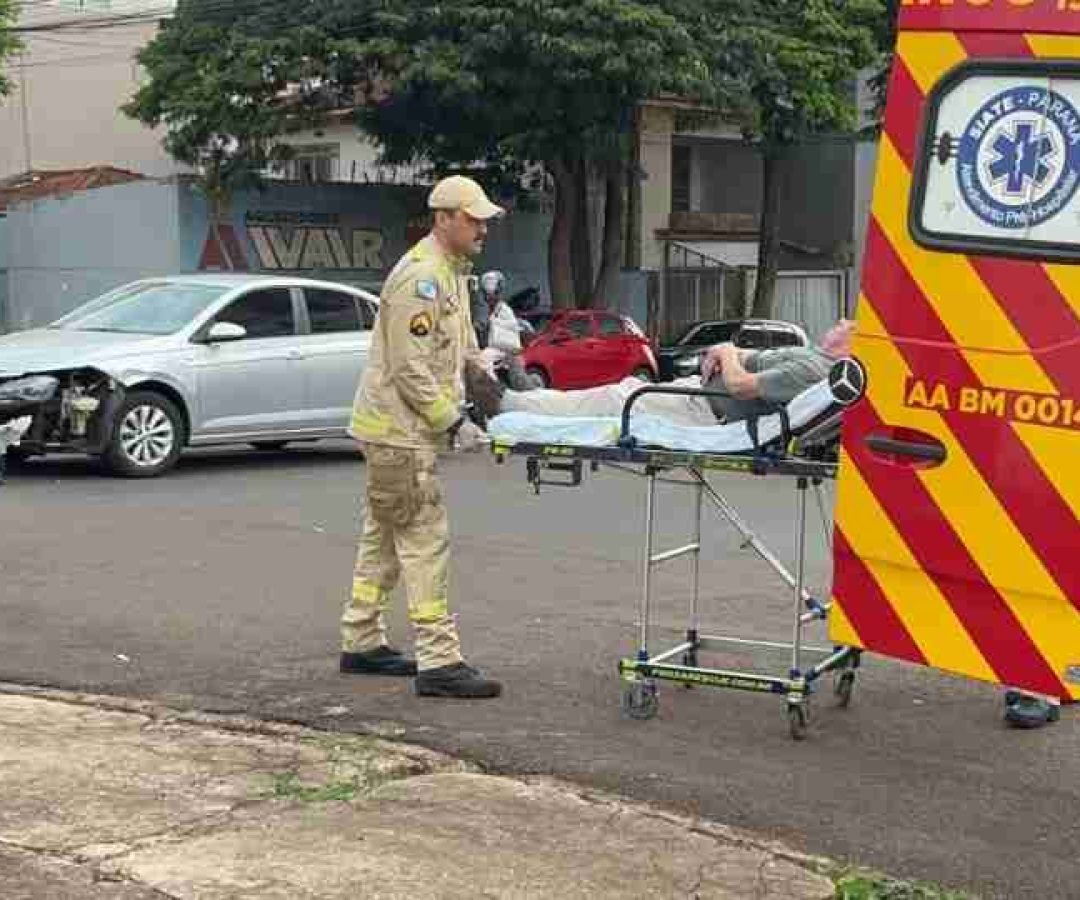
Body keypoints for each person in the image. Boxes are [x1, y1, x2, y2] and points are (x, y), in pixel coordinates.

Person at [340, 174, 502, 700]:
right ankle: (440, 660)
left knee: (384, 536)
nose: (483, 229)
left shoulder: (451, 273)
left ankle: (361, 639)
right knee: (424, 540)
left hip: (395, 431)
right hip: (399, 433)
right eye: (474, 219)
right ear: (444, 218)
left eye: (484, 220)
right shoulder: (421, 279)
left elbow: (459, 343)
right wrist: (453, 422)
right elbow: (410, 370)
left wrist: (484, 375)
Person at [465, 319, 856, 428]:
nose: (840, 320)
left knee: (615, 400)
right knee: (620, 393)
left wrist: (726, 352)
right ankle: (524, 391)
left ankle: (509, 403)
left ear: (851, 344)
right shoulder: (811, 357)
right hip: (699, 396)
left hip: (706, 411)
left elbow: (740, 385)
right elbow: (744, 361)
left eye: (848, 324)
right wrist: (726, 351)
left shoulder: (813, 368)